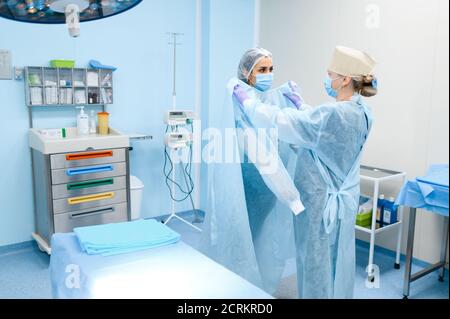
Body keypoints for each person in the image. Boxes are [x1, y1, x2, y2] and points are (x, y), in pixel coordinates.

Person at [233, 46, 377, 298]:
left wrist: (249, 103)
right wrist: (300, 104)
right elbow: (317, 130)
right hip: (343, 202)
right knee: (338, 259)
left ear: (345, 79)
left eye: (330, 73)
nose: (327, 78)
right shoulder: (362, 112)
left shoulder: (333, 114)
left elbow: (286, 122)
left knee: (315, 262)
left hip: (320, 204)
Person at [200, 48, 304, 294]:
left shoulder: (267, 100)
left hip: (267, 184)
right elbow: (253, 143)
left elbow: (277, 125)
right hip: (247, 178)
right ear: (247, 72)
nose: (268, 75)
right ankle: (237, 285)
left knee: (259, 235)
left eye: (271, 69)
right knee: (241, 232)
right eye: (262, 70)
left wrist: (296, 104)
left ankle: (253, 283)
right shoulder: (239, 99)